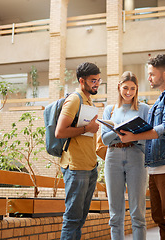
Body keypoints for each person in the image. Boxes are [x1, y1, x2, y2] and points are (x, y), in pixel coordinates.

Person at [119, 54, 165, 240]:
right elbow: (151, 131)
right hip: (155, 165)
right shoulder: (159, 100)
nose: (148, 78)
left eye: (151, 74)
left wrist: (134, 135)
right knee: (159, 218)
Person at [101, 71, 150, 240]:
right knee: (115, 214)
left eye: (132, 89)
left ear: (137, 90)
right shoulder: (110, 110)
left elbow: (148, 138)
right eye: (125, 88)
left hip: (136, 157)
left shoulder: (144, 109)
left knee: (138, 213)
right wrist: (121, 132)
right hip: (113, 157)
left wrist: (133, 136)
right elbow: (105, 139)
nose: (128, 92)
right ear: (119, 88)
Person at [55, 62, 101, 240]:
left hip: (89, 166)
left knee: (80, 219)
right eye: (92, 80)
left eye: (98, 80)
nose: (96, 84)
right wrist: (86, 128)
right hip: (76, 168)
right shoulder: (75, 99)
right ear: (82, 81)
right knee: (73, 219)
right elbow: (60, 131)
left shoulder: (88, 99)